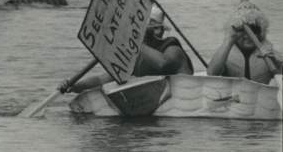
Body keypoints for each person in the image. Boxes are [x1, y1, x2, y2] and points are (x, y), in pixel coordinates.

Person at [59, 5, 194, 94]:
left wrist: (135, 43)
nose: (158, 33)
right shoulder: (137, 56)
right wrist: (74, 86)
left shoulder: (172, 49)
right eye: (154, 29)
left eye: (159, 28)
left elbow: (162, 64)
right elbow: (103, 80)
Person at [207, 0, 283, 84]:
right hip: (233, 96)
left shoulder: (268, 50)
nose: (248, 36)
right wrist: (229, 40)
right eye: (242, 30)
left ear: (261, 32)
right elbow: (212, 73)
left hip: (259, 95)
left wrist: (275, 62)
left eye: (255, 29)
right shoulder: (225, 51)